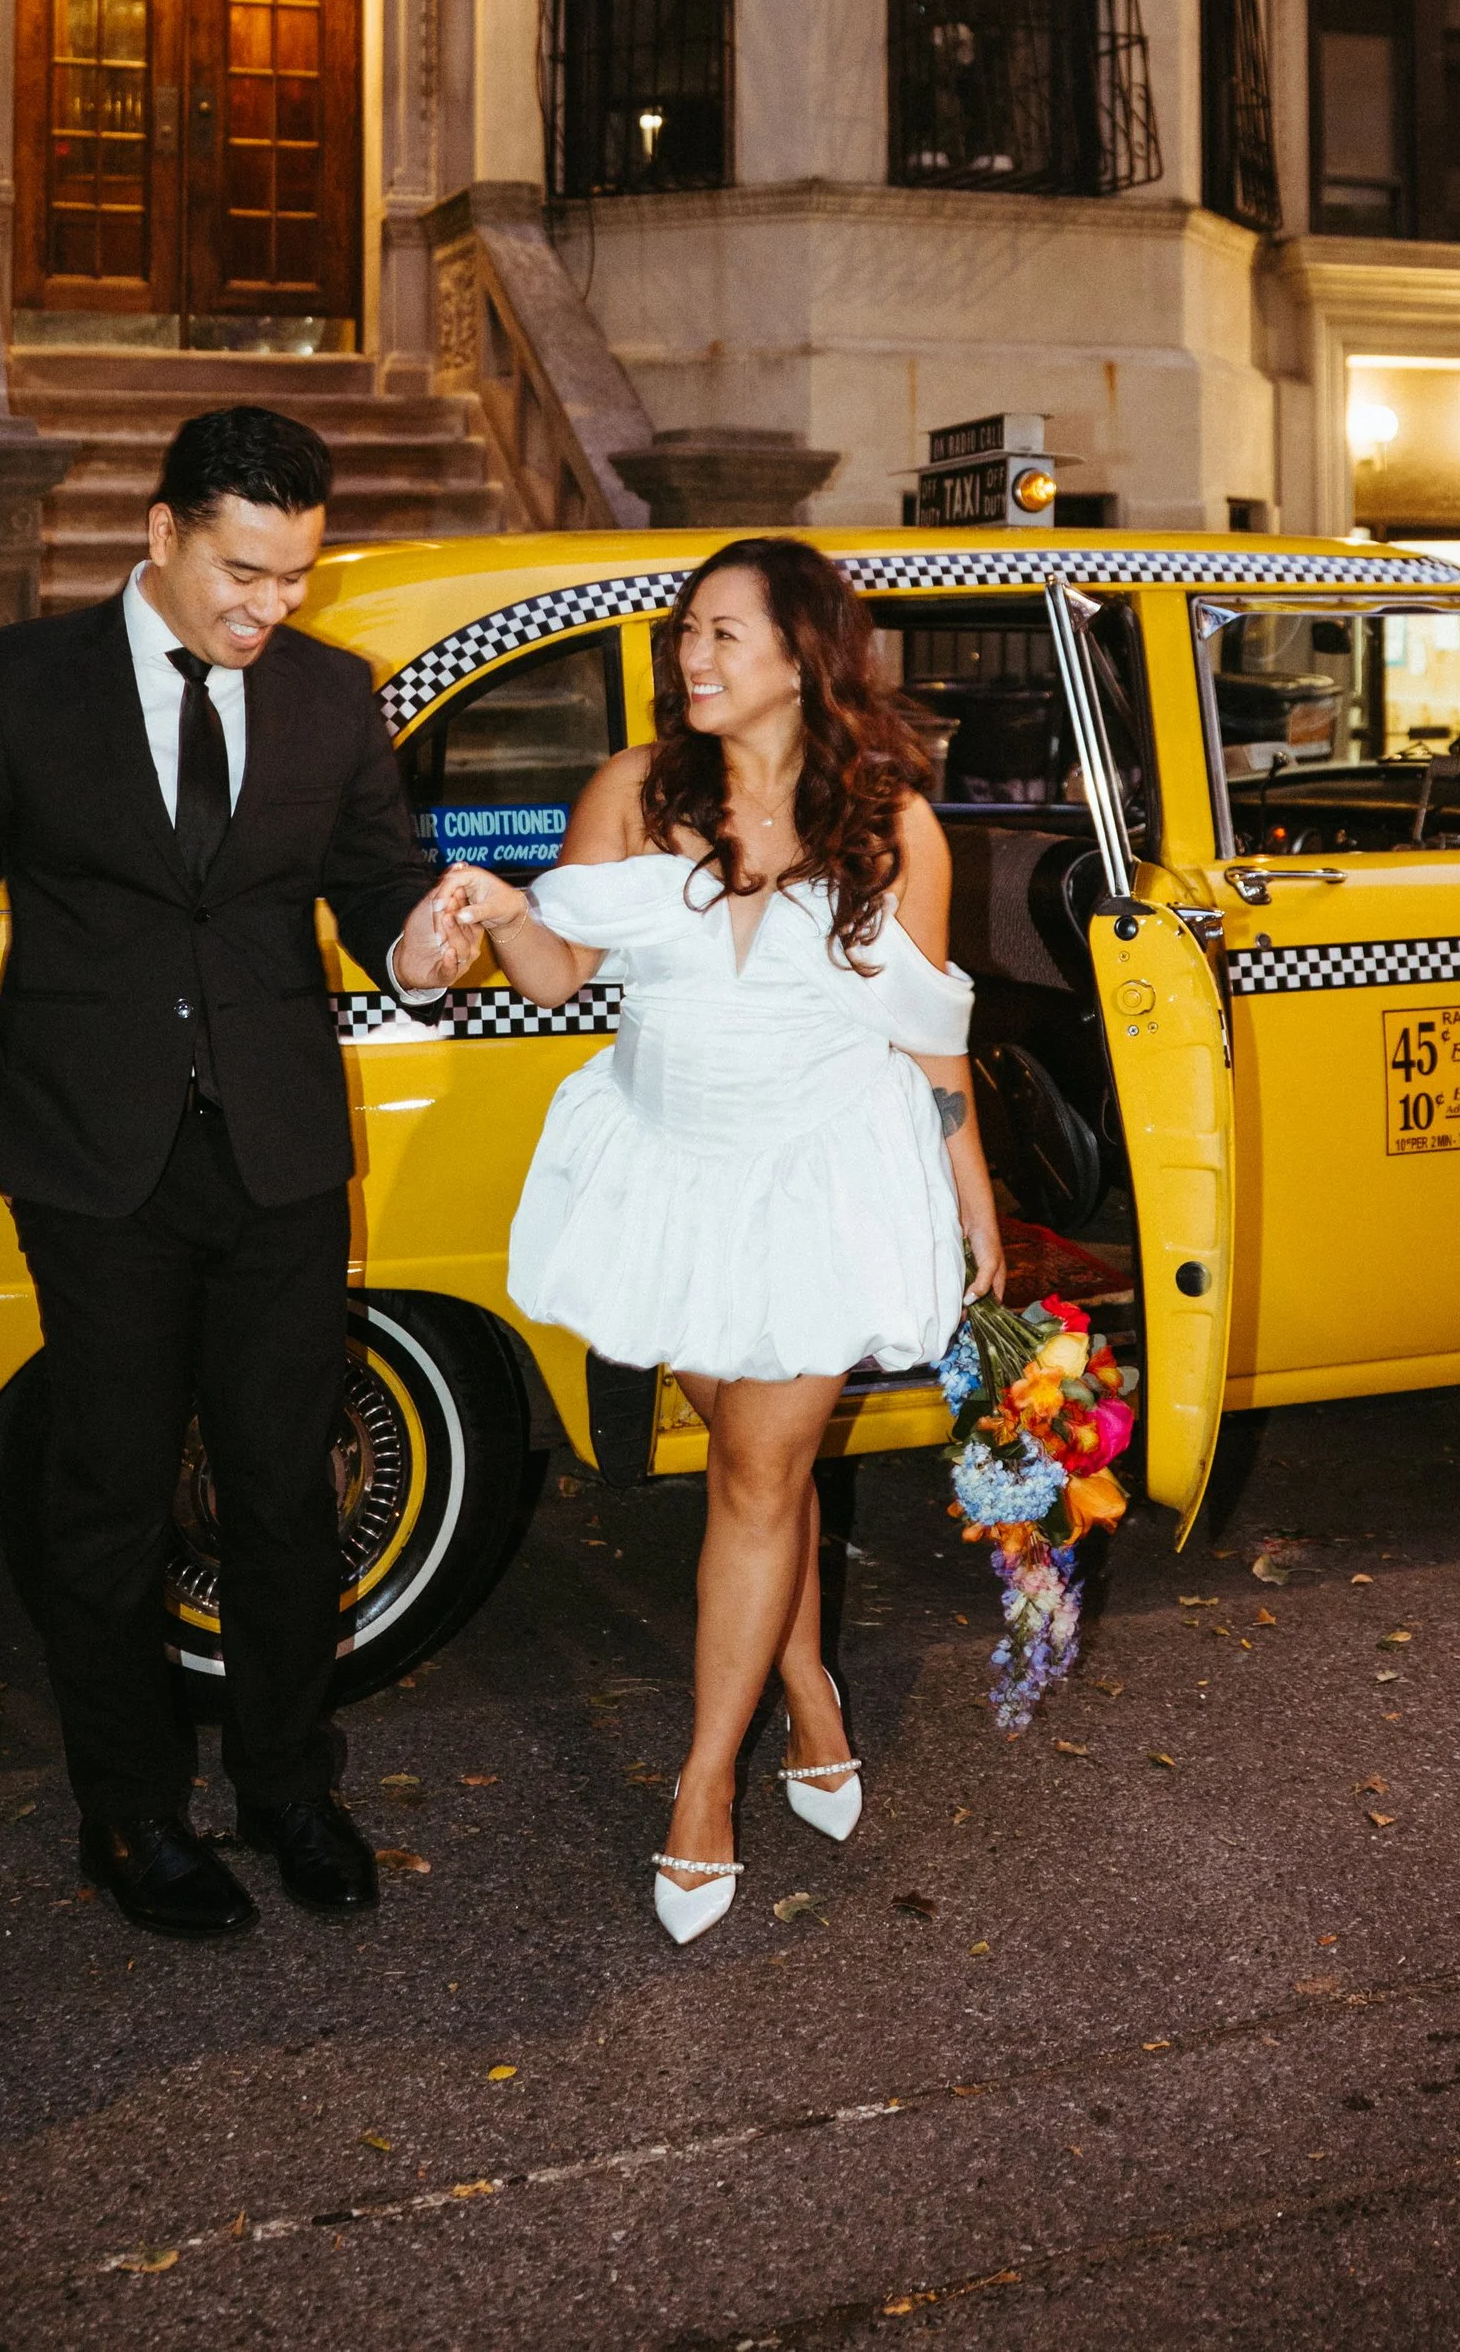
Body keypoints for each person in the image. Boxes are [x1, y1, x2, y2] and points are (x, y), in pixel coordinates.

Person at [0, 405, 476, 1943]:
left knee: (286, 1495)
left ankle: (286, 1787)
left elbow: (378, 889)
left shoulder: (332, 696)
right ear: (163, 533)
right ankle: (130, 1814)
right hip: (90, 1160)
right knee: (110, 1506)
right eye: (244, 570)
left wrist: (422, 942)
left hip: (279, 1155)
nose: (272, 605)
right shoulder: (22, 681)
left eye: (295, 575)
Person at [434, 536, 1004, 1944]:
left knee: (756, 1471)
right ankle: (805, 1681)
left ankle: (701, 1787)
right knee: (763, 1460)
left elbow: (929, 1037)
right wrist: (503, 912)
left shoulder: (894, 826)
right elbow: (559, 972)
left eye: (723, 634)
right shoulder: (636, 792)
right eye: (686, 632)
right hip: (670, 1177)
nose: (692, 656)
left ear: (805, 657)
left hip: (825, 1179)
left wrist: (972, 1197)